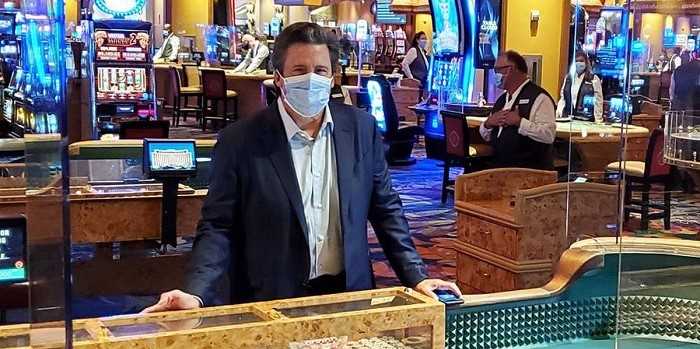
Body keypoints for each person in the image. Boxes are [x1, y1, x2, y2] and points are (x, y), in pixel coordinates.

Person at [143, 22, 460, 313]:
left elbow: (386, 210)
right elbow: (218, 227)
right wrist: (195, 293)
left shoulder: (361, 130)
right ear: (279, 78)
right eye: (299, 70)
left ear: (334, 76)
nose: (312, 79)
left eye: (320, 70)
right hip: (270, 302)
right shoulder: (239, 140)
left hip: (348, 297)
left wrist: (417, 277)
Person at [479, 50, 556, 170]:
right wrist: (489, 123)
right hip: (500, 169)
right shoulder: (501, 100)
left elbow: (549, 135)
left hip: (529, 172)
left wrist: (520, 122)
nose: (495, 75)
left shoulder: (539, 98)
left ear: (510, 69)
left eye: (497, 70)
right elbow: (487, 135)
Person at [556, 51, 604, 123]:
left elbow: (598, 100)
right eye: (576, 61)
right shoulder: (568, 78)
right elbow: (563, 97)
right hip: (569, 118)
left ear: (586, 62)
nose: (579, 63)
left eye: (581, 61)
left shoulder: (593, 78)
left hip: (586, 120)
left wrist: (598, 119)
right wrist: (559, 111)